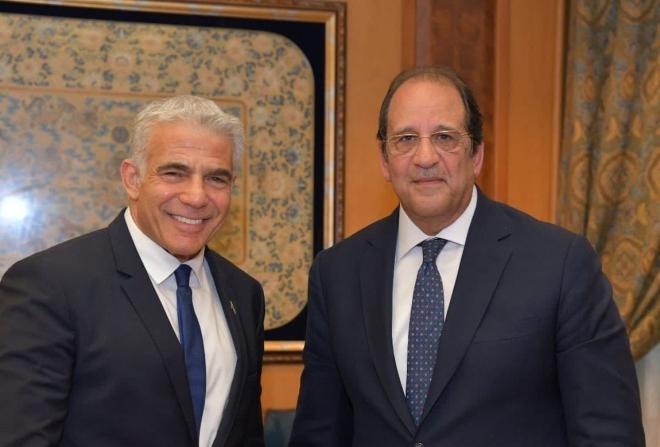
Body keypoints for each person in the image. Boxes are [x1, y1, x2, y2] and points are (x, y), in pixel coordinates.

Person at [289, 67, 645, 446]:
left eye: (445, 137)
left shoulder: (559, 265)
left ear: (477, 155)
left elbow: (609, 434)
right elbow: (318, 434)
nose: (425, 157)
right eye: (406, 139)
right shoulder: (337, 274)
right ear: (384, 159)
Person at [0, 95, 265, 447]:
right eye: (174, 173)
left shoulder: (243, 294)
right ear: (133, 178)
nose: (197, 197)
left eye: (216, 178)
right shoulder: (50, 284)